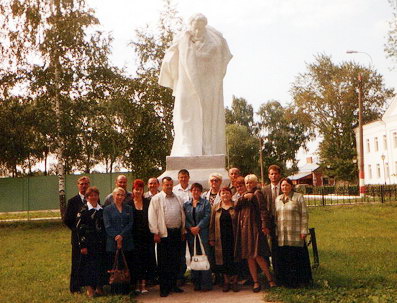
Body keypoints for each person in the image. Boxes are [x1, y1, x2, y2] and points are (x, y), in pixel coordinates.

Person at [158, 13, 232, 157]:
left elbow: (221, 59)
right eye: (195, 28)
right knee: (185, 114)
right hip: (185, 84)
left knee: (205, 116)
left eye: (200, 28)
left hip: (206, 86)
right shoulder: (182, 39)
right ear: (190, 27)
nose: (197, 32)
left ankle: (206, 147)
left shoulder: (214, 42)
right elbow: (169, 60)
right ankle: (187, 145)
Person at [234, 174, 276, 292]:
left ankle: (270, 279)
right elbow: (236, 207)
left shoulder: (257, 193)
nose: (249, 185)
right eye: (247, 183)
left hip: (255, 228)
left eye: (251, 182)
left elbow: (263, 210)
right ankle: (255, 281)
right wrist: (244, 197)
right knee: (249, 256)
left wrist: (264, 225)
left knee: (257, 255)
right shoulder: (243, 195)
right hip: (245, 230)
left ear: (256, 183)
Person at [148, 177, 186, 297]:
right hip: (164, 234)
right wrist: (155, 232)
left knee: (175, 261)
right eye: (166, 185)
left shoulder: (178, 198)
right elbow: (152, 216)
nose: (169, 187)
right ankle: (164, 288)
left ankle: (173, 285)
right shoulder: (156, 199)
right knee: (164, 262)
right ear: (162, 186)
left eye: (170, 185)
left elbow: (182, 214)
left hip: (176, 233)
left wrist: (183, 231)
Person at [274, 178, 312, 288]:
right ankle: (286, 282)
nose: (284, 187)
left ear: (291, 186)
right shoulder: (278, 199)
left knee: (297, 257)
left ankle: (300, 281)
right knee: (285, 257)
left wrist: (304, 230)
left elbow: (304, 215)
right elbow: (276, 217)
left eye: (286, 185)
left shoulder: (298, 197)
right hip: (283, 233)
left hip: (295, 232)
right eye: (282, 186)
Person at [76, 186, 107, 297]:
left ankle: (99, 287)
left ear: (98, 196)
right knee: (89, 266)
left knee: (100, 265)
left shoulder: (102, 209)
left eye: (95, 195)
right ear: (87, 197)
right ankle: (90, 289)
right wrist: (83, 245)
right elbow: (79, 229)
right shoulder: (83, 211)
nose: (93, 197)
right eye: (91, 195)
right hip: (89, 244)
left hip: (101, 243)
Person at [103, 187, 134, 294]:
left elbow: (130, 224)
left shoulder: (129, 208)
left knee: (126, 265)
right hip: (112, 242)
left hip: (127, 241)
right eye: (118, 195)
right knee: (115, 266)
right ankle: (115, 290)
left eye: (122, 195)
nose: (120, 197)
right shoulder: (107, 209)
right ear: (113, 196)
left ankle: (126, 289)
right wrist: (116, 237)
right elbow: (107, 226)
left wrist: (122, 235)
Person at [209, 187, 239, 292]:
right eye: (223, 193)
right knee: (223, 259)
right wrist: (211, 238)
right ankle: (226, 281)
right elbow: (212, 224)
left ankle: (234, 281)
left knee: (235, 259)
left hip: (234, 237)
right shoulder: (216, 207)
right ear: (220, 195)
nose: (225, 195)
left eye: (227, 193)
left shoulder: (236, 206)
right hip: (220, 238)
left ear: (231, 195)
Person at [64, 176, 90, 293]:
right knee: (77, 262)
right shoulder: (72, 201)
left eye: (86, 184)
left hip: (90, 238)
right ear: (77, 185)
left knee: (89, 262)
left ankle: (88, 284)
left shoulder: (93, 199)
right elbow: (67, 219)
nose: (84, 186)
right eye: (81, 184)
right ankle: (75, 287)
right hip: (77, 238)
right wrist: (77, 231)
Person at [184, 183, 212, 291]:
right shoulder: (186, 205)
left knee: (204, 257)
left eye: (198, 190)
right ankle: (196, 282)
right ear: (191, 191)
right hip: (191, 235)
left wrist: (198, 227)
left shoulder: (205, 203)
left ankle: (206, 284)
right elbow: (184, 218)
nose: (195, 192)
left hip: (202, 234)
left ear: (201, 192)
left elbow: (207, 216)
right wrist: (190, 228)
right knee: (194, 257)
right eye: (193, 190)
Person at [128, 179, 154, 294]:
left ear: (143, 190)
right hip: (133, 237)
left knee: (145, 260)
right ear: (132, 190)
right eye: (135, 189)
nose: (138, 191)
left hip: (146, 236)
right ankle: (136, 284)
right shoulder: (128, 203)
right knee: (135, 261)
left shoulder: (148, 202)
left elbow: (152, 218)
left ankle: (144, 284)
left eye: (140, 189)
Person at [262, 165, 282, 281]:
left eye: (275, 173)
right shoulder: (265, 190)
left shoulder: (284, 187)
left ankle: (283, 271)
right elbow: (263, 208)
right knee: (272, 248)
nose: (274, 176)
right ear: (269, 176)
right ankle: (274, 273)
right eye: (271, 174)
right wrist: (265, 224)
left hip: (283, 222)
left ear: (279, 175)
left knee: (282, 247)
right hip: (270, 223)